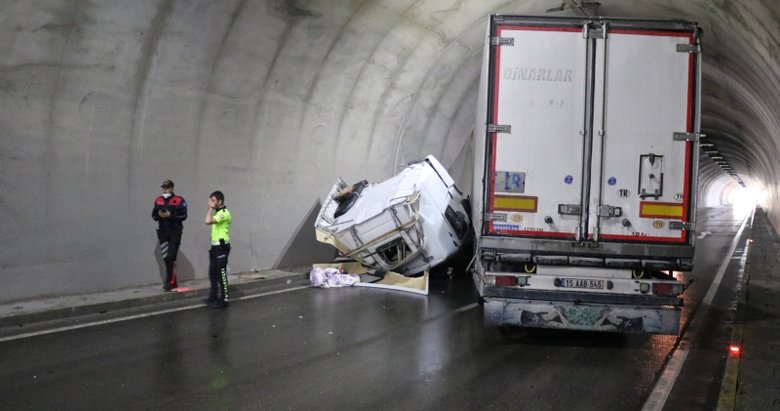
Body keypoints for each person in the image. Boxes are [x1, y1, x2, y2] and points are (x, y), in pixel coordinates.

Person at [152, 179, 188, 291]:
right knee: (166, 258)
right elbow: (153, 216)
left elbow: (184, 216)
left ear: (172, 188)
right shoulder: (158, 200)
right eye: (163, 187)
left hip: (175, 233)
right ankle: (173, 280)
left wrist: (170, 215)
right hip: (162, 233)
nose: (165, 189)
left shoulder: (179, 200)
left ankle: (168, 280)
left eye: (167, 187)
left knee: (171, 256)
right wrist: (159, 215)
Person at [205, 190, 232, 308]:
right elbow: (218, 227)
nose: (211, 202)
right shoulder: (218, 212)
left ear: (220, 201)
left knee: (221, 273)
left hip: (221, 247)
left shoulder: (224, 213)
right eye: (210, 200)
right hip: (215, 246)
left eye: (213, 200)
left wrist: (210, 208)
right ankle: (213, 296)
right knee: (213, 273)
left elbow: (207, 221)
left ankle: (224, 299)